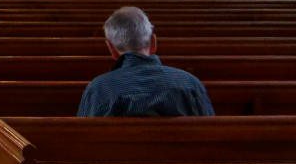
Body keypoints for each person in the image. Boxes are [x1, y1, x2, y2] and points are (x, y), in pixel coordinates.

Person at [77, 7, 214, 118]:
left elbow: (82, 136)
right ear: (153, 42)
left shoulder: (98, 89)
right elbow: (212, 131)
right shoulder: (190, 84)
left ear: (112, 49)